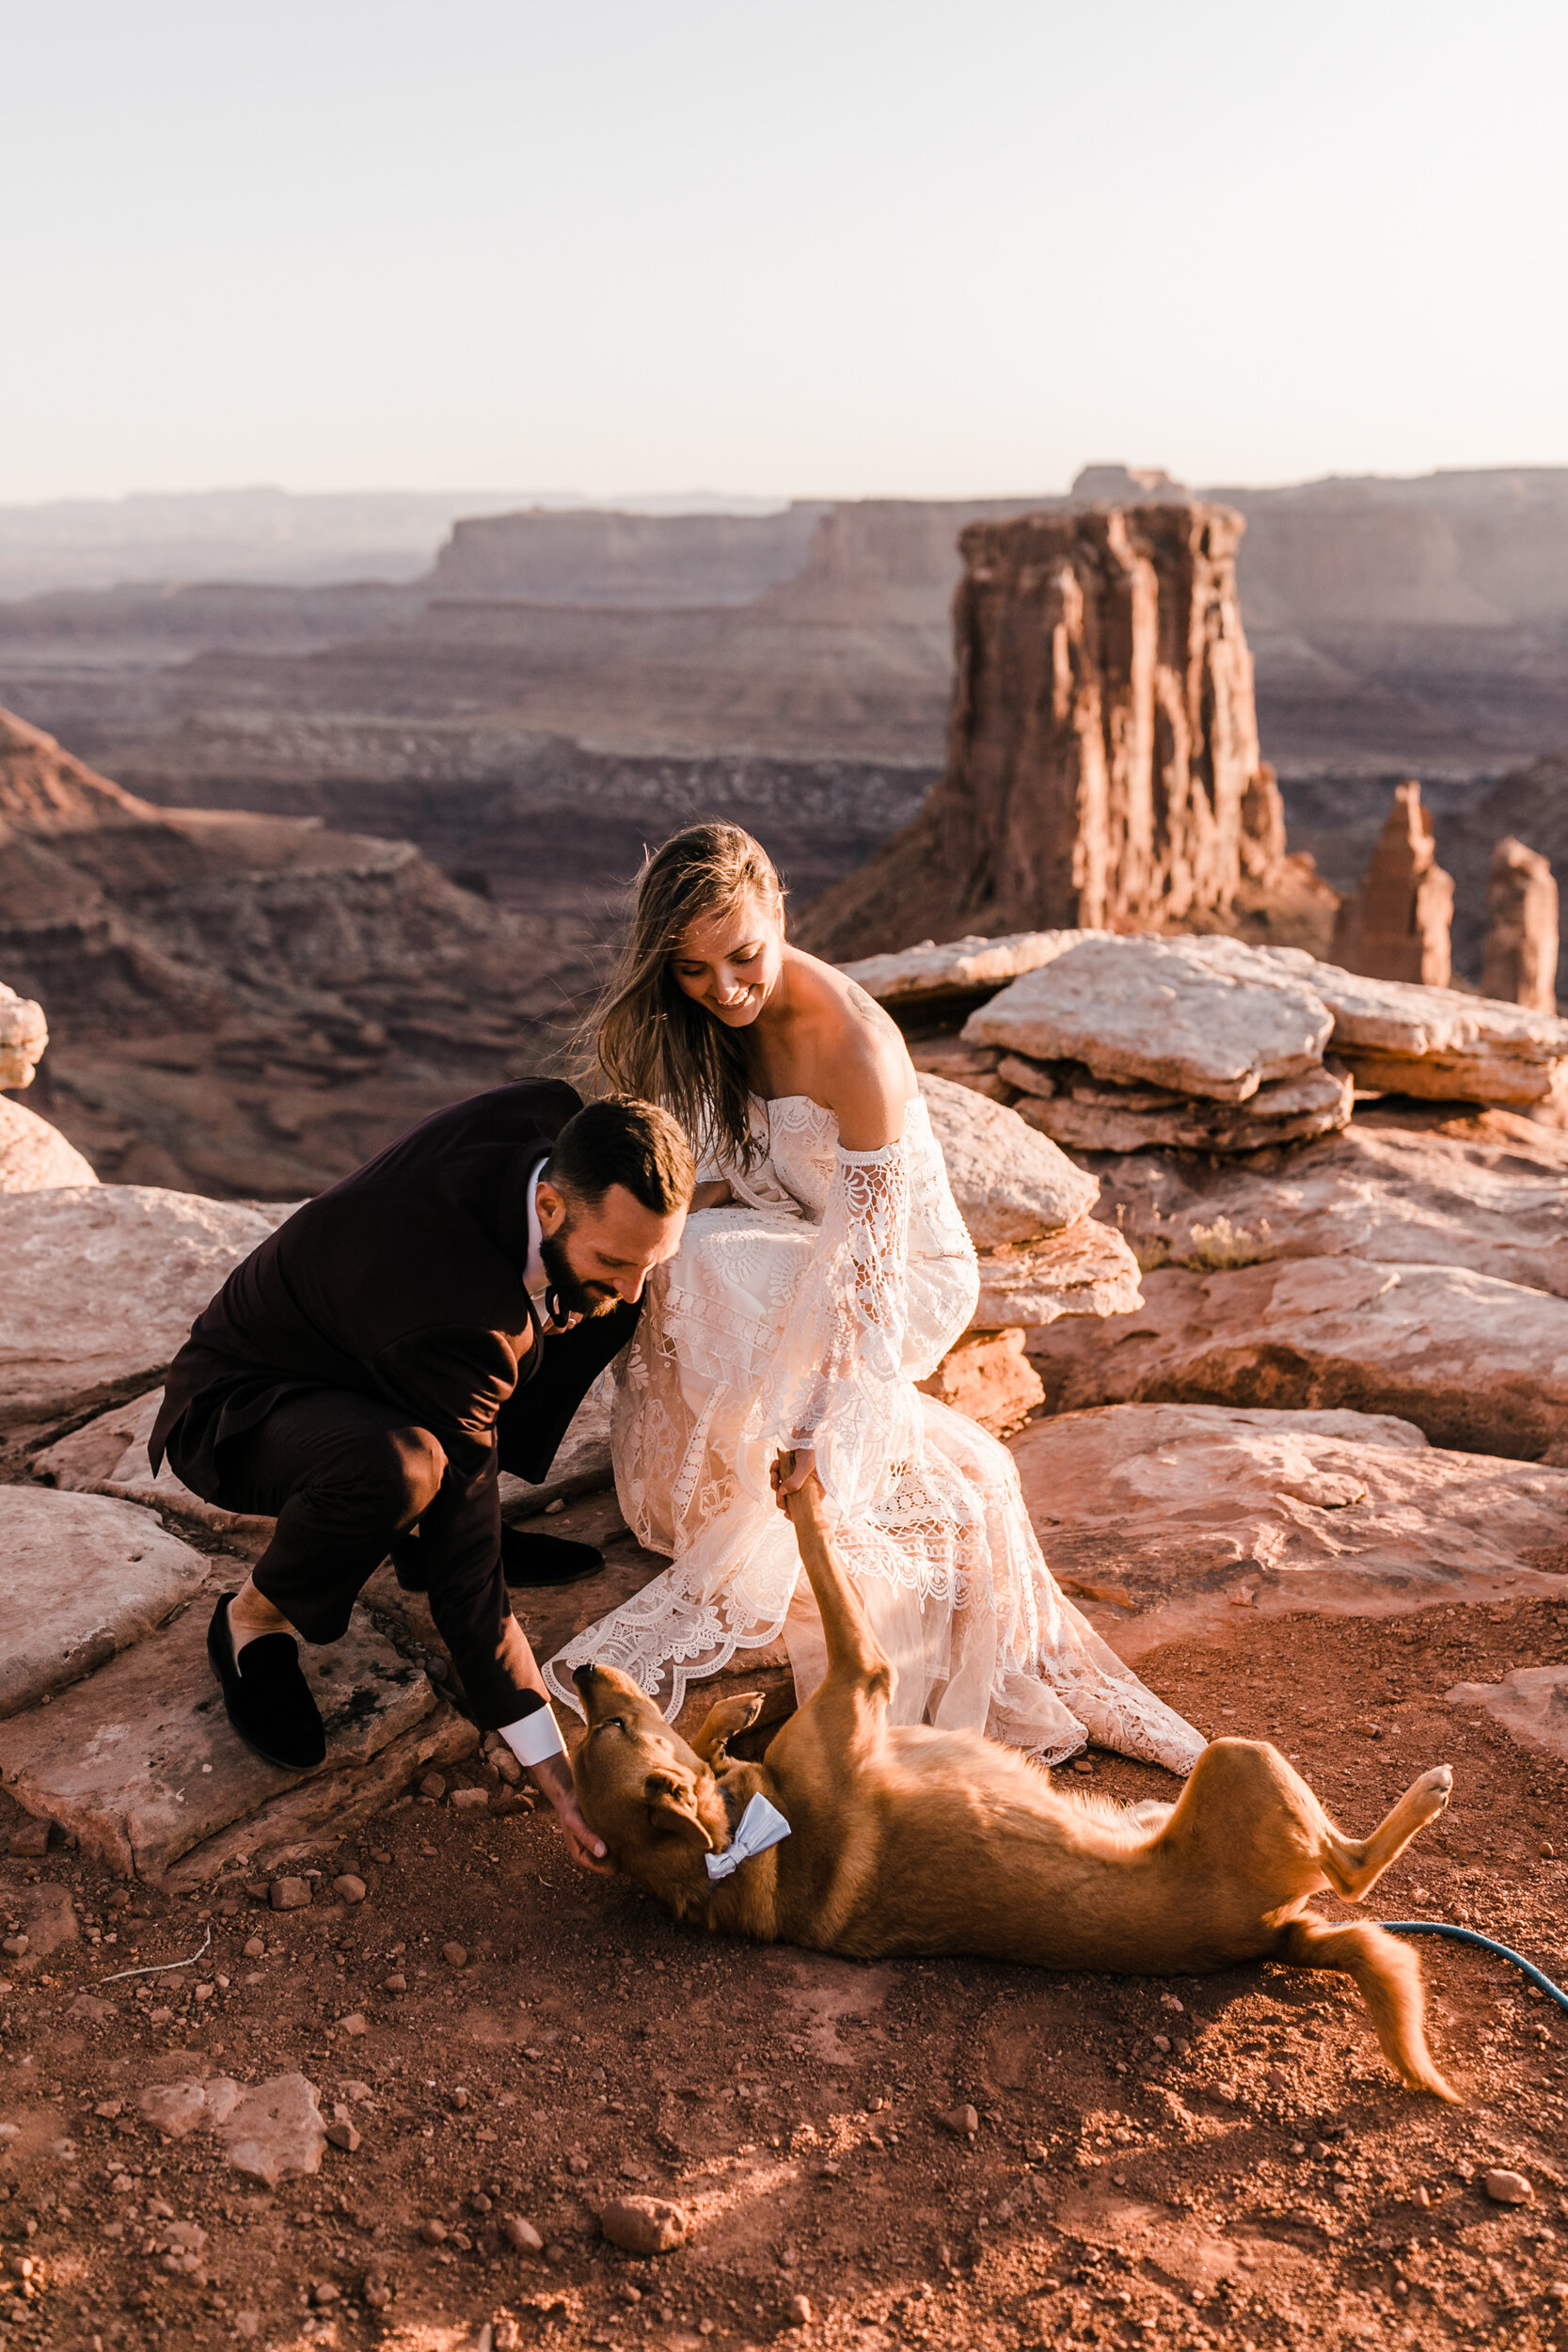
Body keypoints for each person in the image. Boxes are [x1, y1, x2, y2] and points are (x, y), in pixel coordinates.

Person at [541, 824, 1204, 1776]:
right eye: (690, 970)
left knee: (700, 1264)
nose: (722, 988)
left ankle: (787, 1495)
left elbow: (864, 1268)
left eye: (742, 957)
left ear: (780, 911)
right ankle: (717, 1487)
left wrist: (816, 1421)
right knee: (678, 1250)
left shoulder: (852, 1043)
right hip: (802, 1231)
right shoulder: (705, 1018)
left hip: (899, 1273)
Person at [150, 1083, 694, 1871]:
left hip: (375, 1342)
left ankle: (423, 1536)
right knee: (401, 1469)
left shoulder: (554, 1118)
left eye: (647, 1257)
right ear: (547, 1207)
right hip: (240, 1406)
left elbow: (603, 1261)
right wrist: (554, 1769)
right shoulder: (462, 1322)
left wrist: (613, 1271)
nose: (635, 1280)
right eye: (617, 1255)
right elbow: (470, 1591)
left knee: (601, 1300)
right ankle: (252, 1621)